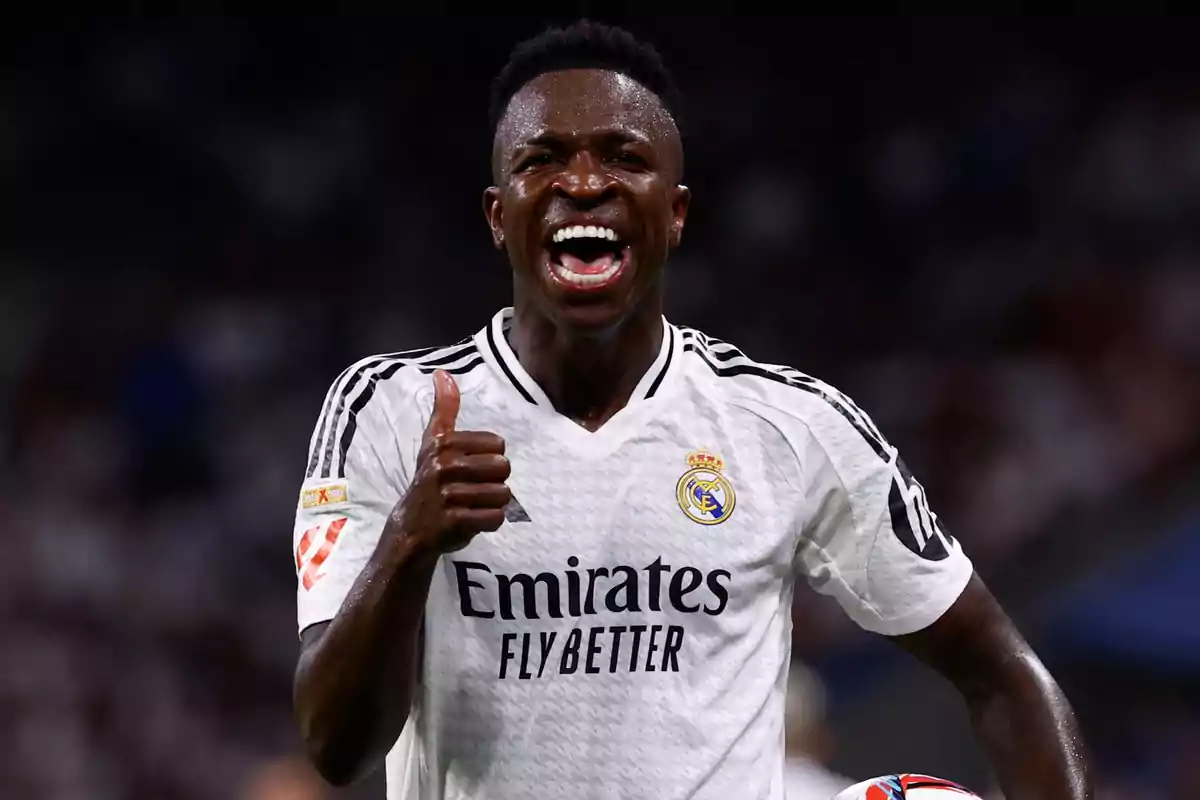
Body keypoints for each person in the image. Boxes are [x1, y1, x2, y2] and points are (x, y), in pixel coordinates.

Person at [291, 19, 1093, 800]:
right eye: (544, 160)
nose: (583, 182)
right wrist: (408, 543)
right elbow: (335, 746)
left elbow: (1001, 672)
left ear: (674, 214)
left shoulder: (788, 425)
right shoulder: (394, 411)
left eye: (622, 156)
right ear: (500, 217)